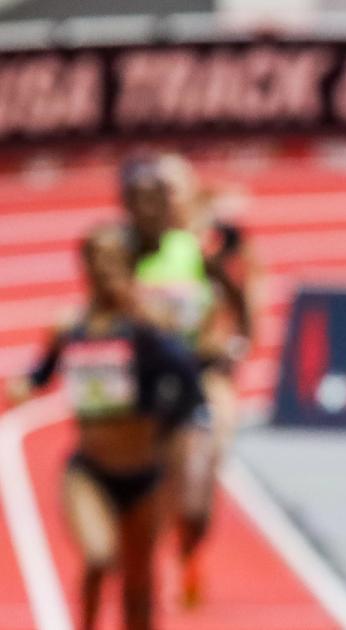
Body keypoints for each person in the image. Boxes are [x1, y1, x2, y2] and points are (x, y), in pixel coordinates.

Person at [5, 225, 205, 630]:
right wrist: (24, 385)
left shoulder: (148, 328)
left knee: (139, 584)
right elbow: (41, 375)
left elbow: (189, 382)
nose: (104, 269)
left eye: (113, 260)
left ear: (130, 267)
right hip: (90, 470)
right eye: (95, 259)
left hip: (146, 473)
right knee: (98, 557)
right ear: (84, 267)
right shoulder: (69, 327)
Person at [120, 153, 240, 607]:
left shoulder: (204, 247)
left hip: (199, 377)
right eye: (156, 191)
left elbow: (238, 297)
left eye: (172, 190)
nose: (163, 200)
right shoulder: (128, 251)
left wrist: (234, 343)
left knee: (195, 492)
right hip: (145, 387)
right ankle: (144, 576)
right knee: (147, 494)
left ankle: (190, 548)